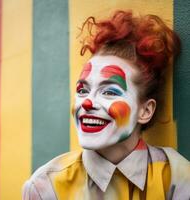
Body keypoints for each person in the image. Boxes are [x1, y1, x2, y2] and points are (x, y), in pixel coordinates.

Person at [22, 10, 190, 199]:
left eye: (109, 92)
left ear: (145, 110)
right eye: (82, 90)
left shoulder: (178, 178)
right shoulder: (46, 187)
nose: (87, 102)